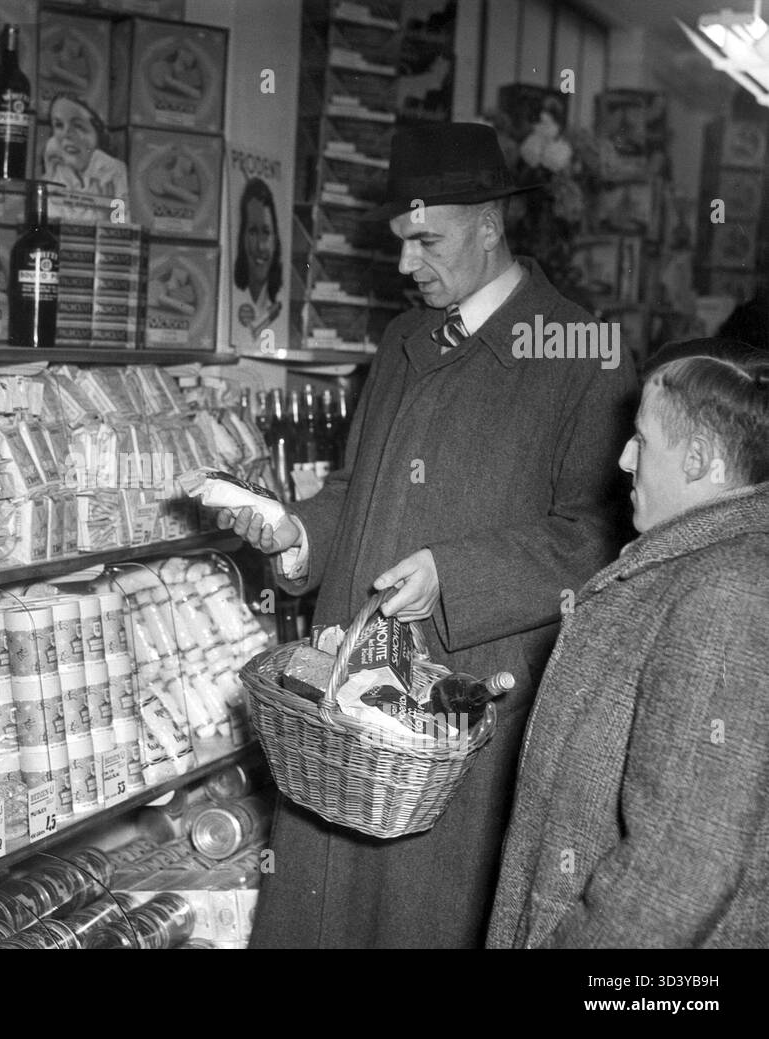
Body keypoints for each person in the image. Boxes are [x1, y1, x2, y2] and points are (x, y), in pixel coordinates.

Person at [226, 121, 637, 949]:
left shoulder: (580, 348)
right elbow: (354, 486)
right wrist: (297, 537)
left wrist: (455, 574)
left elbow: (596, 536)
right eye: (400, 243)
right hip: (339, 714)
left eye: (426, 240)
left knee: (415, 918)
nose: (408, 264)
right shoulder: (403, 339)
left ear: (491, 222)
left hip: (456, 716)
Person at [488, 348, 769, 948]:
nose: (623, 459)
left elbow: (681, 867)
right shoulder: (689, 566)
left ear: (696, 460)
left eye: (641, 441)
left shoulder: (727, 591)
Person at [41, 95, 129, 207]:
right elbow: (41, 220)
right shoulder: (54, 171)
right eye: (59, 125)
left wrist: (116, 186)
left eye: (78, 126)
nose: (66, 133)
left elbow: (120, 221)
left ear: (97, 133)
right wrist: (49, 177)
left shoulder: (114, 171)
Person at [232, 178, 283, 343]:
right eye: (253, 232)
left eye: (266, 232)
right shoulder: (234, 296)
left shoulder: (276, 303)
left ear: (275, 240)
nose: (261, 246)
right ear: (242, 238)